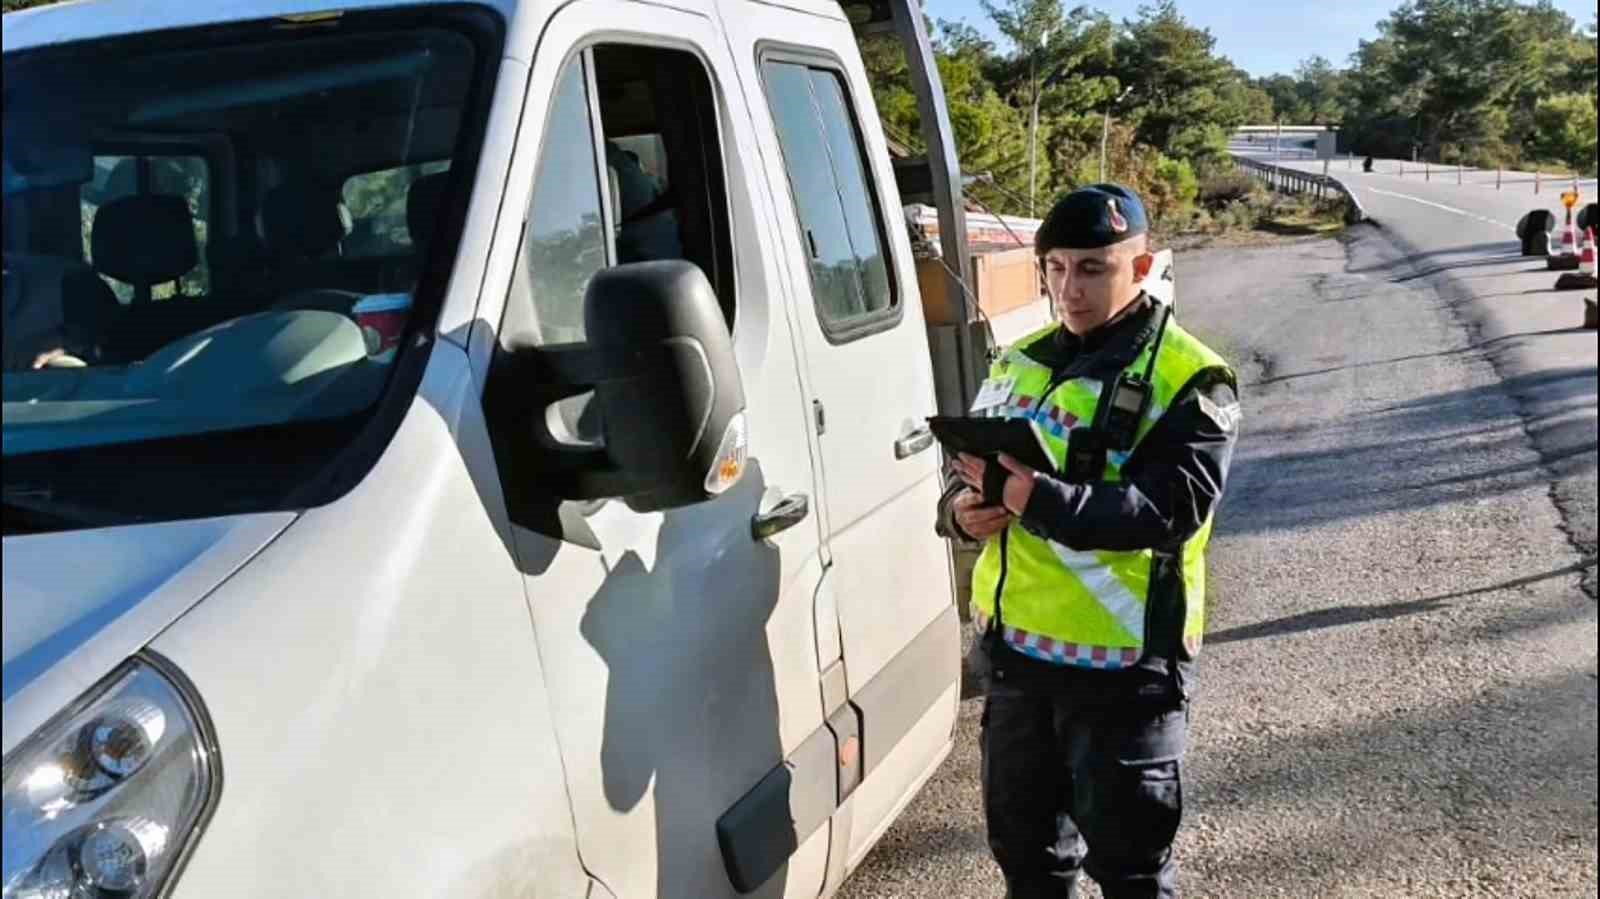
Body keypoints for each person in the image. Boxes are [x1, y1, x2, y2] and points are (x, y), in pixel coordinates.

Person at [936, 184, 1241, 899]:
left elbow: (1170, 508)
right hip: (1017, 662)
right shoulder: (1021, 360)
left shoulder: (1191, 377)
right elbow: (965, 474)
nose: (1070, 289)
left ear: (1139, 270)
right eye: (1058, 268)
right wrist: (960, 510)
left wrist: (1030, 498)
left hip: (1126, 672)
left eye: (1093, 269)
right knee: (1029, 865)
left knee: (1131, 874)